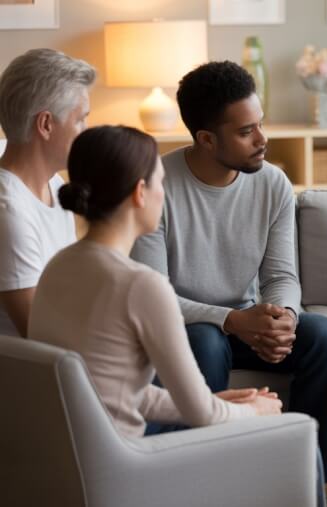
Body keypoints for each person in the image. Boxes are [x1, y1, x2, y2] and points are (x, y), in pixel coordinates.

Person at [130, 61, 327, 483]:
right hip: (191, 326)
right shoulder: (156, 185)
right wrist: (231, 319)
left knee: (326, 337)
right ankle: (209, 477)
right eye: (247, 131)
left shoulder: (273, 184)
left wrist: (283, 317)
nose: (262, 139)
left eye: (260, 124)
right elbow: (154, 296)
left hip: (250, 320)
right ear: (207, 139)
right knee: (205, 342)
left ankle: (306, 476)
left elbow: (282, 275)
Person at [29, 125, 282, 436]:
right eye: (161, 182)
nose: (165, 192)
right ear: (139, 193)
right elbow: (204, 416)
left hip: (68, 458)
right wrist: (256, 410)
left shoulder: (58, 265)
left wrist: (217, 403)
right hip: (126, 465)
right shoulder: (141, 285)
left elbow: (117, 390)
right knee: (297, 436)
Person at [0, 48, 95, 337]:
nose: (86, 130)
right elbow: (39, 334)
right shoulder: (9, 211)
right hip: (36, 374)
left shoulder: (54, 185)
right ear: (45, 124)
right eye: (80, 119)